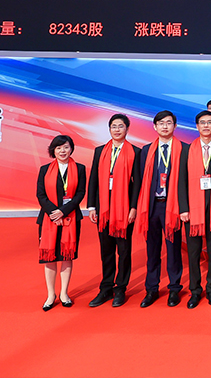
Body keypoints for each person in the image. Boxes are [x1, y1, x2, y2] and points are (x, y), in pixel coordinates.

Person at [86, 113, 141, 308]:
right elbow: (93, 179)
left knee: (124, 251)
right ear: (109, 129)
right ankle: (106, 288)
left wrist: (133, 207)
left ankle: (121, 288)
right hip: (103, 208)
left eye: (121, 126)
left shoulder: (135, 152)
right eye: (114, 126)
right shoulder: (100, 151)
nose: (117, 130)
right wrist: (91, 206)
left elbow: (137, 183)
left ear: (127, 129)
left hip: (124, 208)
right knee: (106, 250)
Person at [178, 111, 211, 308]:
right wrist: (183, 208)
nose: (207, 126)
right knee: (193, 252)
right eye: (203, 123)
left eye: (210, 122)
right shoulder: (186, 150)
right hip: (193, 208)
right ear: (197, 126)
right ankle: (195, 290)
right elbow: (181, 181)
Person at [136, 111, 186, 308]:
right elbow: (140, 180)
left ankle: (174, 288)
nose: (165, 126)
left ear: (175, 126)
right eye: (161, 123)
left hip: (173, 206)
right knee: (152, 249)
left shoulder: (184, 149)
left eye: (168, 123)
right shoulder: (146, 150)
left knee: (173, 249)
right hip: (152, 206)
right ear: (155, 126)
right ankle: (152, 288)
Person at [37, 135, 86, 311]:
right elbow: (40, 194)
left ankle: (64, 293)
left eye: (66, 147)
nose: (62, 151)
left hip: (70, 218)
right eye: (58, 148)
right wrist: (54, 213)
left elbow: (80, 193)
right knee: (49, 257)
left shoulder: (80, 168)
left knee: (67, 256)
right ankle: (51, 294)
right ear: (53, 150)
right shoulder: (44, 169)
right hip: (48, 219)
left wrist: (63, 212)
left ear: (71, 148)